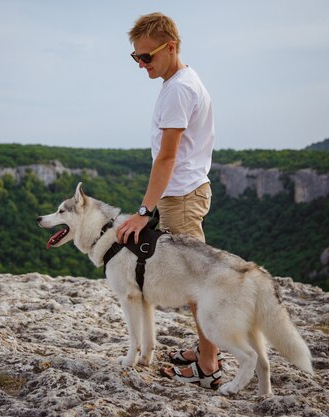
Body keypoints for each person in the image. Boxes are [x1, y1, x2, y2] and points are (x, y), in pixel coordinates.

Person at [116, 12, 220, 389]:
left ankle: (208, 366)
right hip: (185, 193)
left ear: (171, 46)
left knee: (198, 284)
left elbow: (167, 157)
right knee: (198, 278)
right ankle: (207, 349)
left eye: (147, 57)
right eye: (136, 58)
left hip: (180, 199)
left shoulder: (178, 90)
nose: (141, 65)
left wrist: (144, 212)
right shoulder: (181, 79)